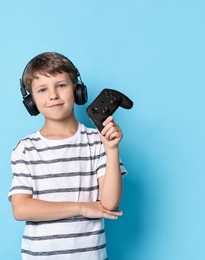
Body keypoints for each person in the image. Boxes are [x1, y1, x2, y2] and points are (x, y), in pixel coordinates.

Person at [8, 52, 127, 259]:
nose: (53, 95)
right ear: (31, 101)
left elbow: (110, 203)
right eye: (42, 89)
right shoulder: (25, 148)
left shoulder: (97, 141)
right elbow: (21, 208)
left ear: (77, 90)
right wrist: (82, 208)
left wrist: (112, 148)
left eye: (61, 85)